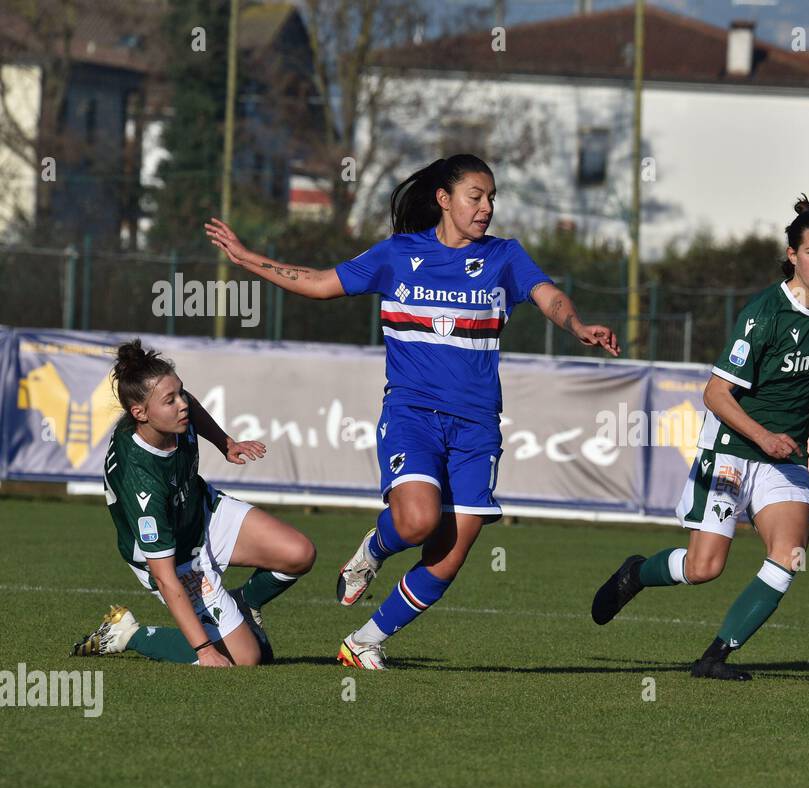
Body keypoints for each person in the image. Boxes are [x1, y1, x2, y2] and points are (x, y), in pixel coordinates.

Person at [204, 154, 619, 670]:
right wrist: (246, 258)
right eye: (476, 196)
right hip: (412, 414)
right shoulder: (399, 254)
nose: (487, 207)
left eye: (492, 198)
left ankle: (363, 642)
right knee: (419, 521)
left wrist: (577, 324)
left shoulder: (505, 257)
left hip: (477, 428)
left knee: (449, 556)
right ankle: (376, 548)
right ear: (444, 199)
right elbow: (316, 282)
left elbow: (548, 296)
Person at [590, 195, 809, 680]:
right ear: (792, 254)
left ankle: (715, 657)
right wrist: (763, 436)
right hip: (730, 449)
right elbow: (715, 393)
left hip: (785, 458)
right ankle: (636, 573)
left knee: (789, 557)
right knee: (704, 567)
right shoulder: (764, 314)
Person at [73, 340, 316, 666]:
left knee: (299, 554)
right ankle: (128, 633)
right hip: (175, 558)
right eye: (169, 400)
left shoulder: (174, 417)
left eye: (181, 393)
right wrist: (204, 651)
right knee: (249, 659)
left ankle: (242, 603)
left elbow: (194, 406)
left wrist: (225, 443)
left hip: (201, 510)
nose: (182, 404)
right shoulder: (140, 479)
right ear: (140, 413)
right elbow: (164, 576)